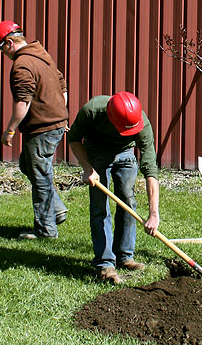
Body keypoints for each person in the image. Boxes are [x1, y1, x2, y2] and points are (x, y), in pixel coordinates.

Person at [67, 91, 160, 284]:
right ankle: (105, 264)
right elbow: (74, 139)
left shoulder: (141, 122)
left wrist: (154, 214)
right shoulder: (92, 110)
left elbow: (150, 170)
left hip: (126, 152)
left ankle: (125, 256)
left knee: (127, 201)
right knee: (100, 207)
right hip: (97, 151)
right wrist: (87, 168)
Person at [0, 20, 69, 239]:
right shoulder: (41, 54)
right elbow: (62, 85)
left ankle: (46, 230)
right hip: (54, 123)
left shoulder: (22, 64)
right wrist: (60, 114)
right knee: (27, 165)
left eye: (1, 48)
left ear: (8, 42)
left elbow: (22, 102)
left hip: (41, 129)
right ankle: (57, 209)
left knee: (41, 176)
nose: (3, 53)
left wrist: (9, 130)